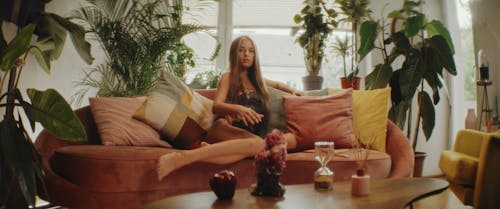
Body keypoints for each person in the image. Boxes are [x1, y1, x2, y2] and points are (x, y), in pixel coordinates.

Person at [157, 36, 302, 180]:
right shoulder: (228, 77)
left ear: (255, 56)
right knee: (260, 144)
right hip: (223, 128)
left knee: (260, 145)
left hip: (246, 138)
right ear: (234, 54)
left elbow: (277, 85)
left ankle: (208, 151)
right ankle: (182, 157)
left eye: (251, 51)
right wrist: (238, 109)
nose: (246, 54)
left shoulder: (258, 81)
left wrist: (293, 91)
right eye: (241, 50)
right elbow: (216, 106)